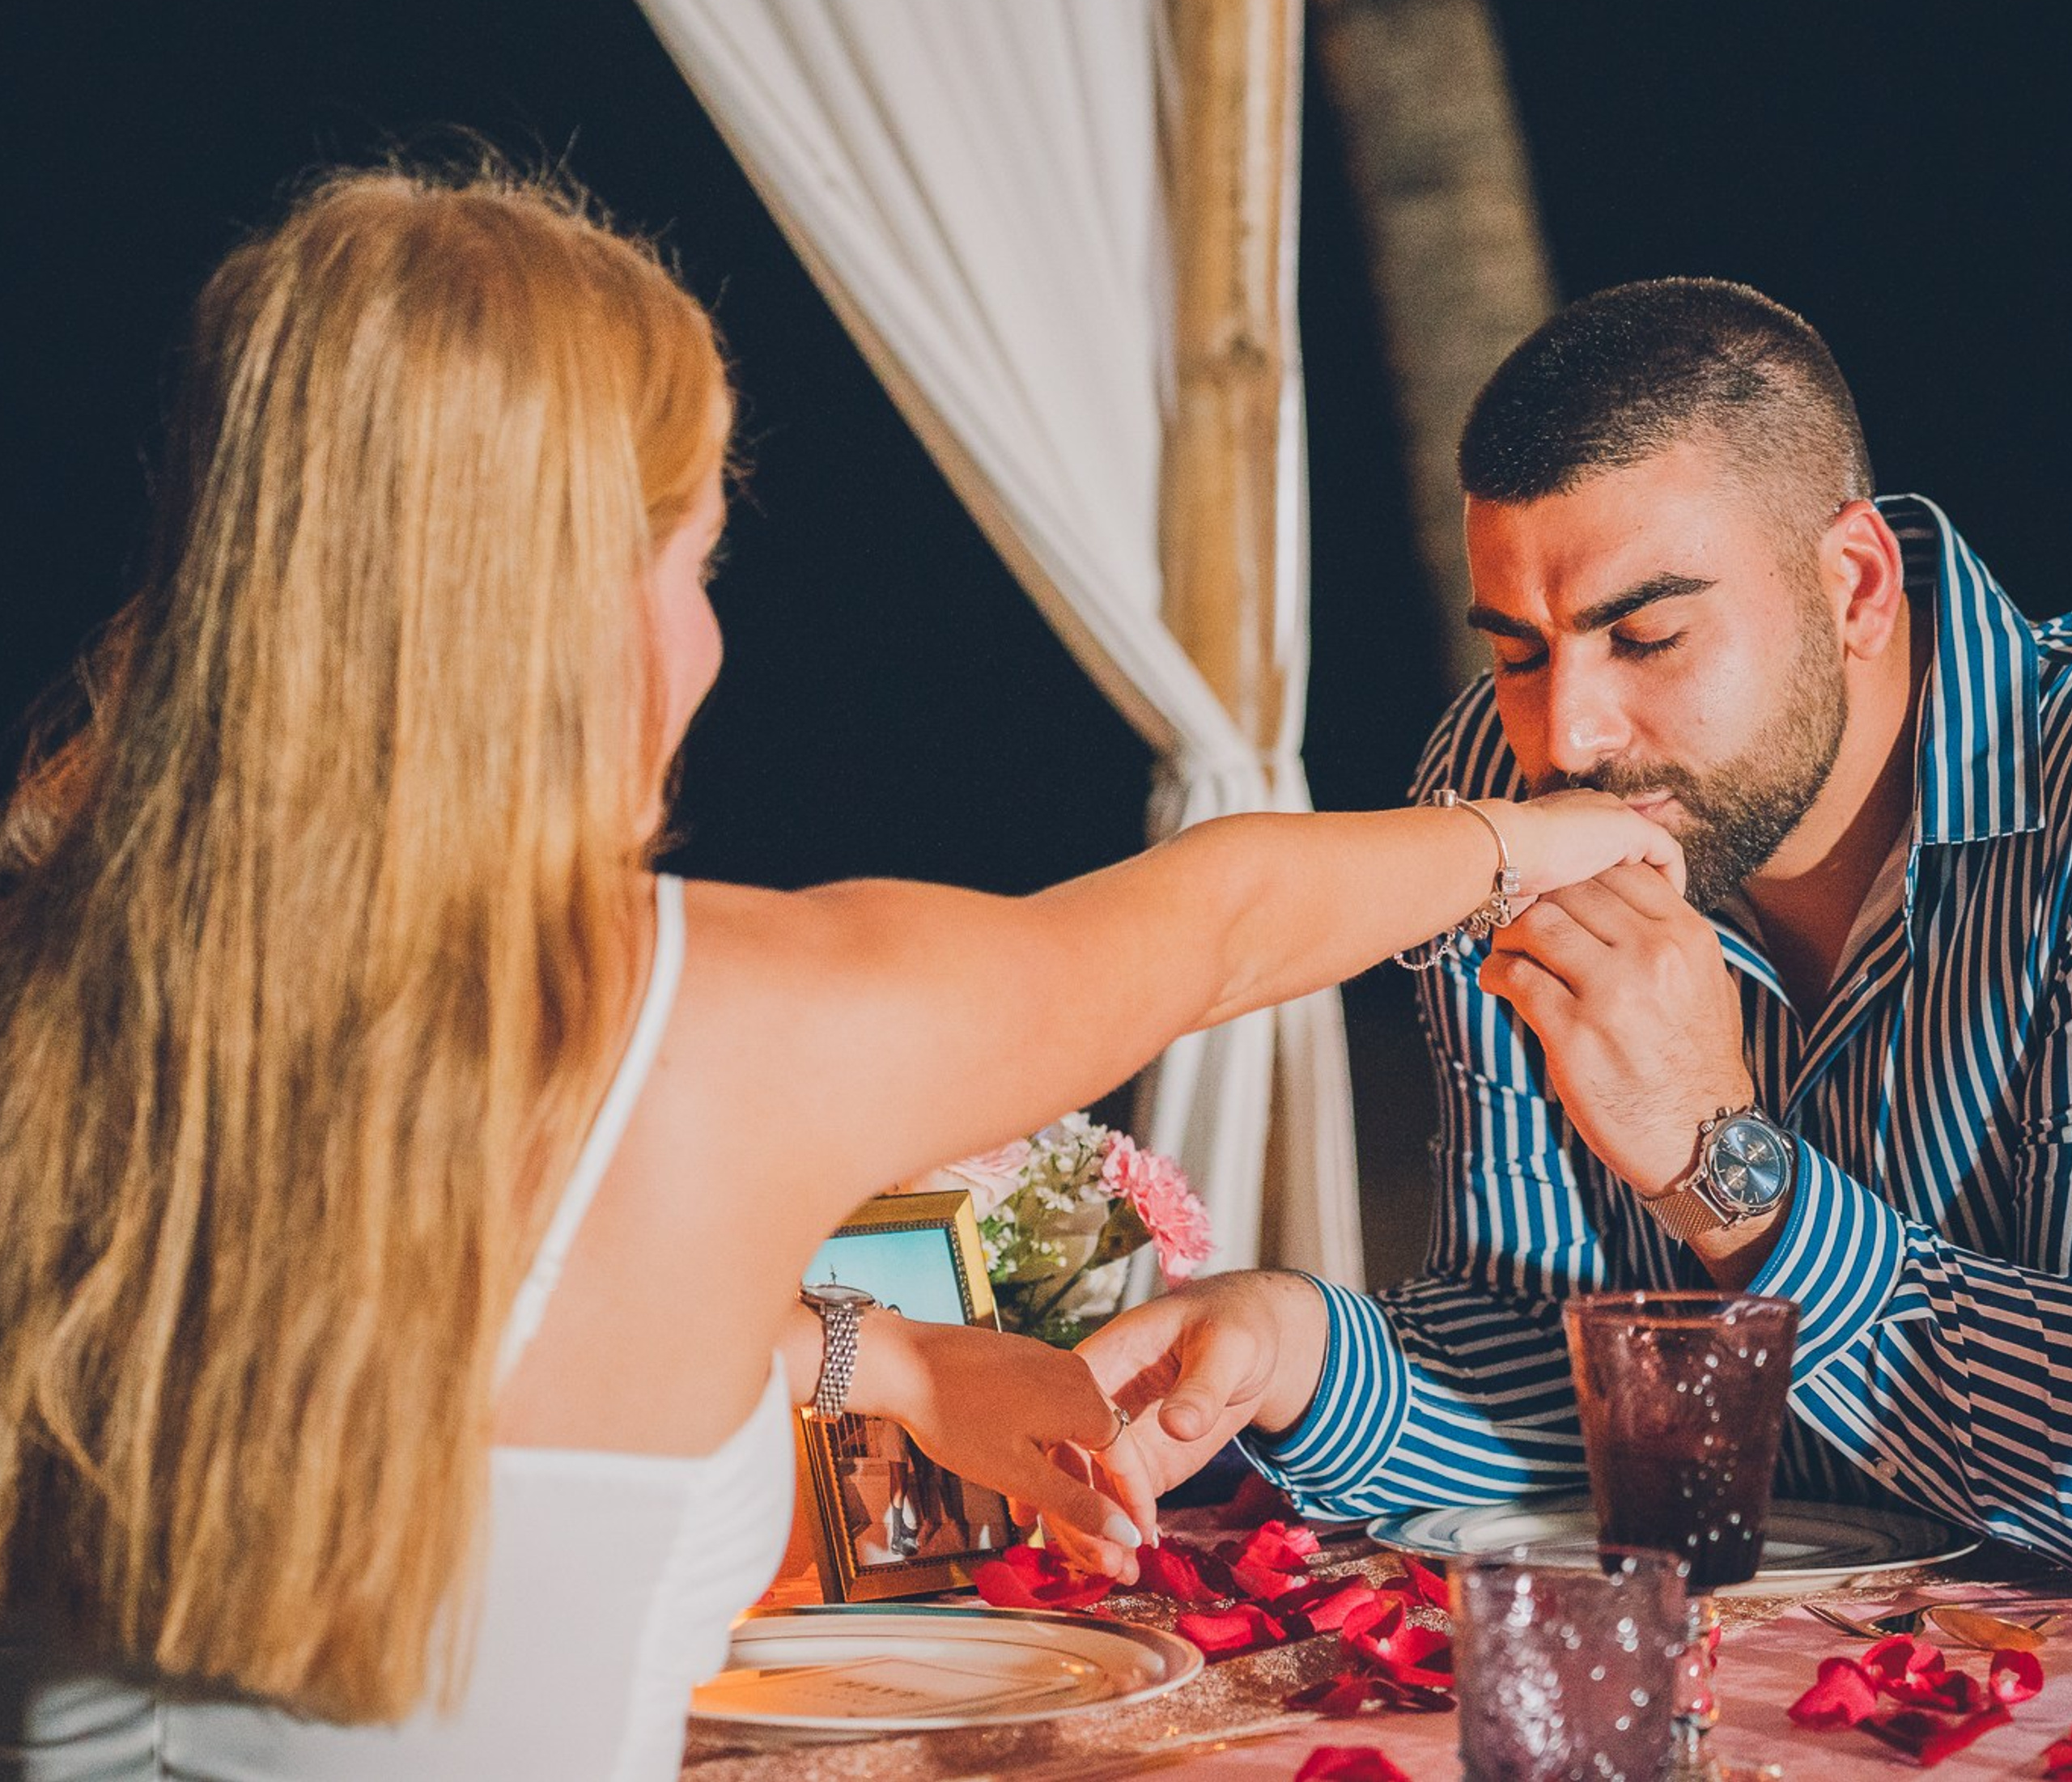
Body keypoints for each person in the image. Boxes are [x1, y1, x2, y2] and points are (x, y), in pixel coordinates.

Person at [0, 166, 1679, 1781]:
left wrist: (898, 1363)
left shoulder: (67, 978)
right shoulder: (692, 1015)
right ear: (562, 603)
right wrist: (1551, 835)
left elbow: (425, 1311)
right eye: (695, 562)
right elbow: (1216, 923)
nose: (705, 638)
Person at [1079, 278, 2072, 1563]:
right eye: (1518, 652)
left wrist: (1723, 1169)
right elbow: (1559, 1370)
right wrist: (1296, 1351)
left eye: (1648, 635)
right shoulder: (1493, 786)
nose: (1567, 736)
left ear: (1858, 587)